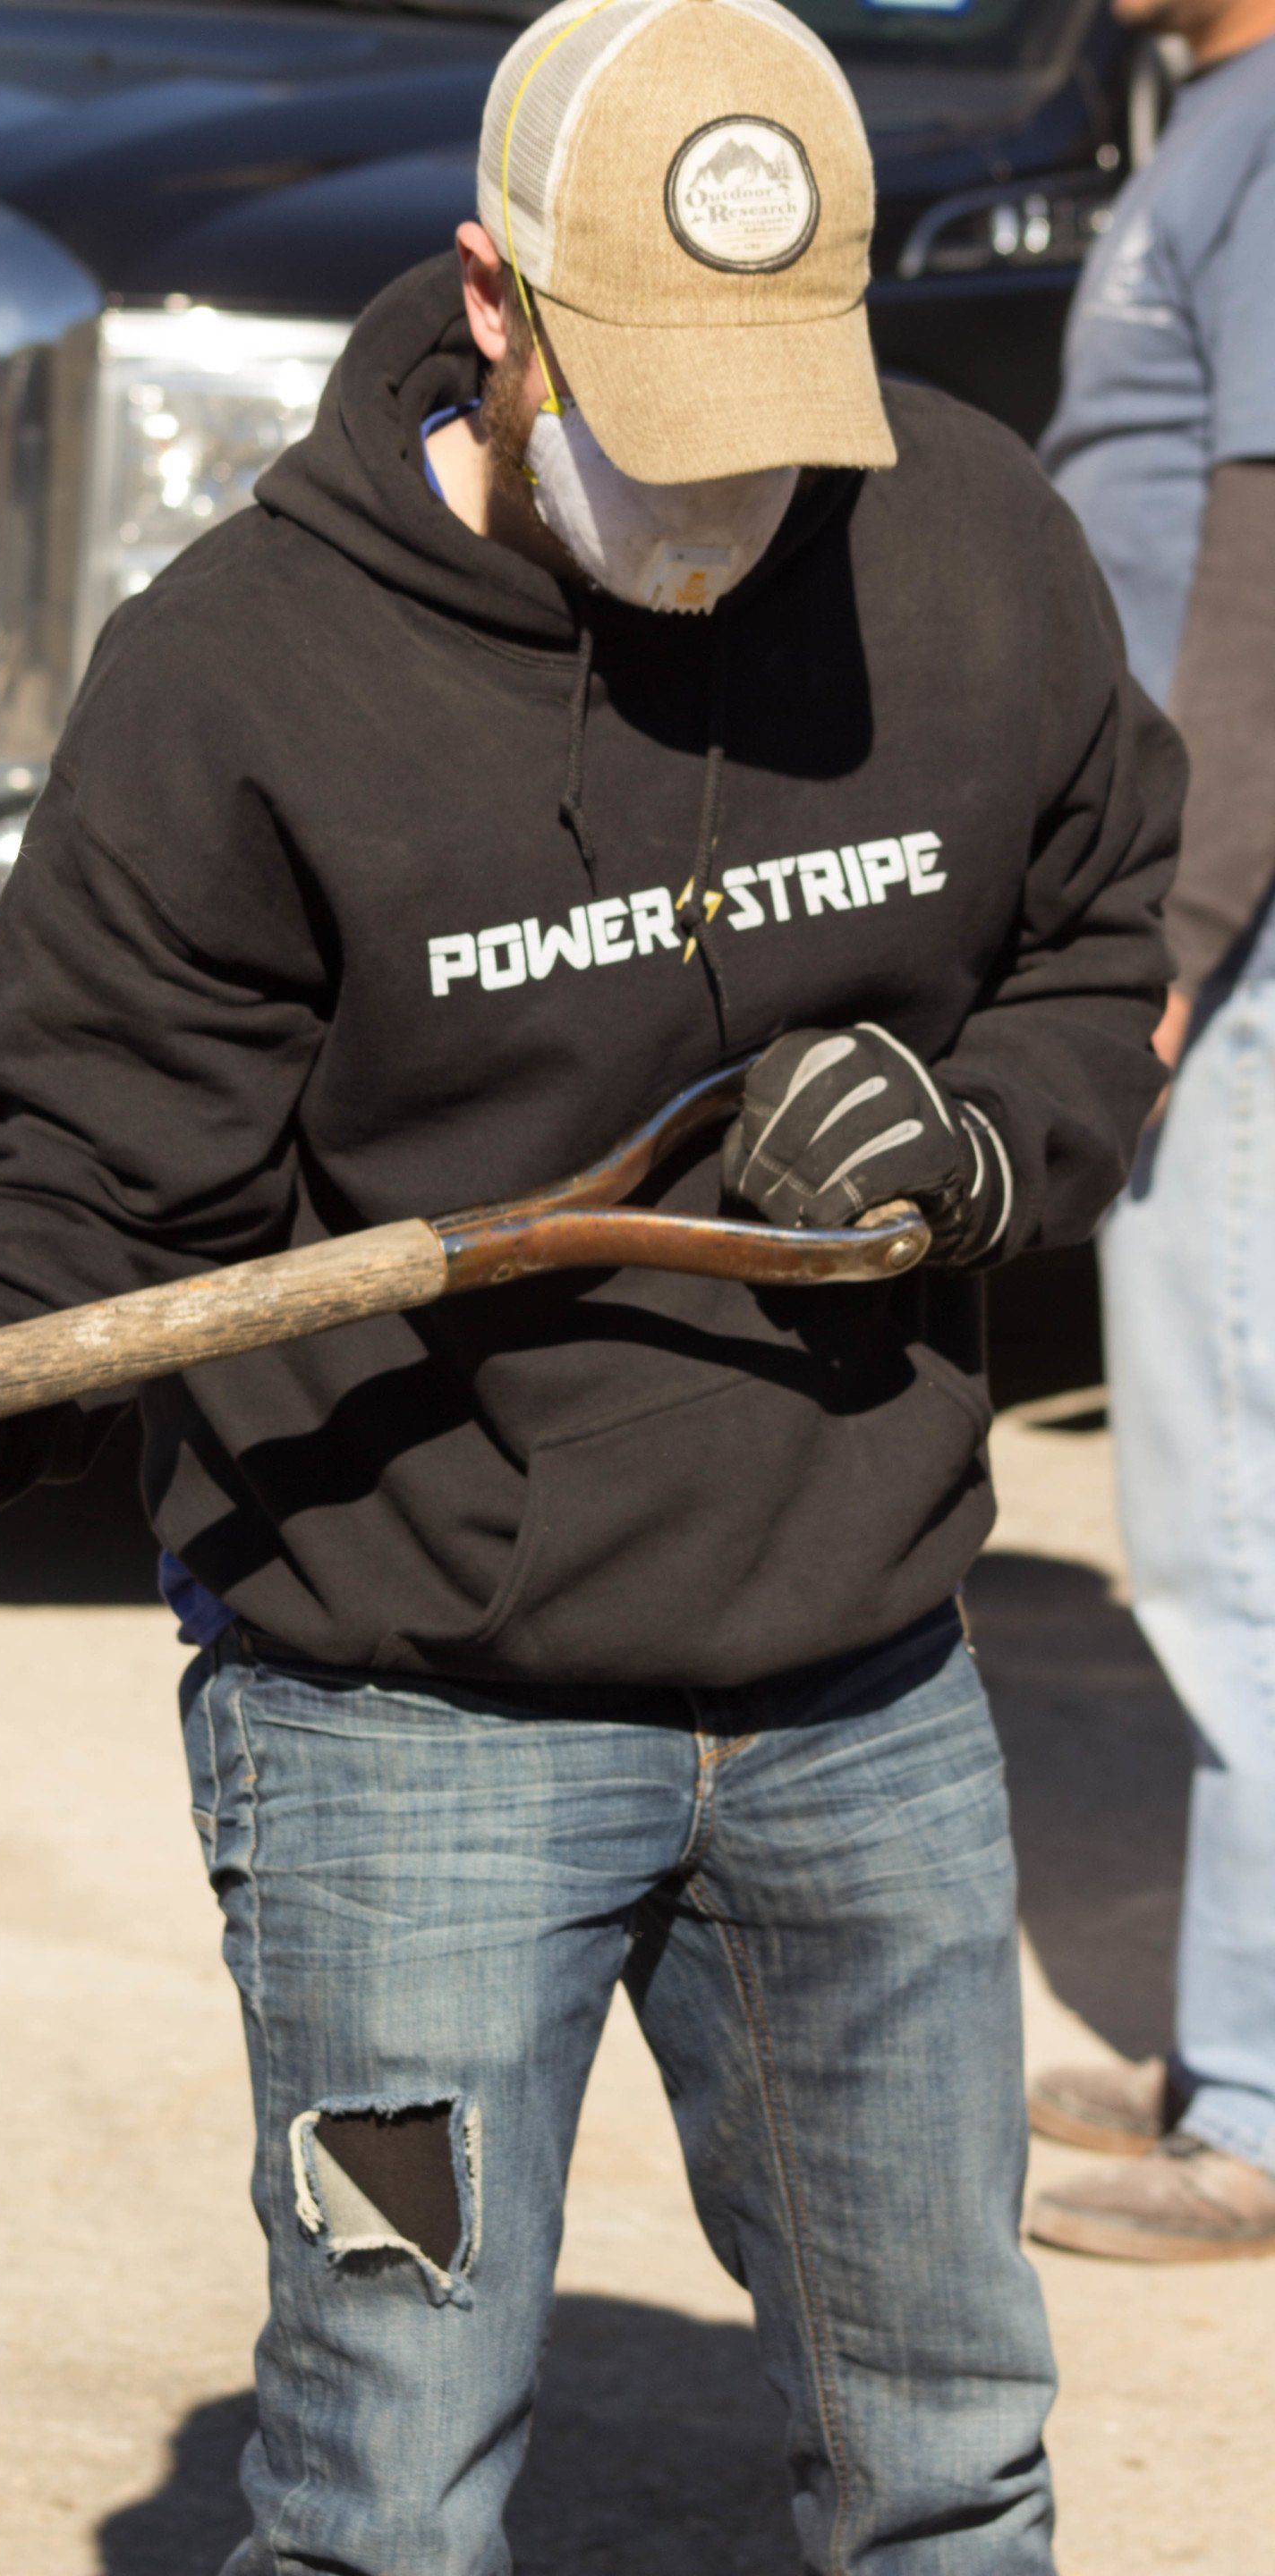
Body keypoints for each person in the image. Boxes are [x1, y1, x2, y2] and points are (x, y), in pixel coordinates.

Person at [0, 0, 1182, 2563]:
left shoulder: (966, 546)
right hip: (409, 1747)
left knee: (953, 2461)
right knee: (384, 2479)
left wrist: (976, 1149)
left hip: (864, 1710)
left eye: (770, 409)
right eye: (657, 404)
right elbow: (90, 1182)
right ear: (490, 300)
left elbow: (1091, 956)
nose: (722, 487)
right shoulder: (245, 680)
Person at [1030, 0, 1275, 2263]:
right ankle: (1226, 2042)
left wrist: (1176, 936)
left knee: (1238, 1527)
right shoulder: (1207, 118)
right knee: (1212, 1513)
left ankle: (1266, 2109)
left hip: (1246, 939)